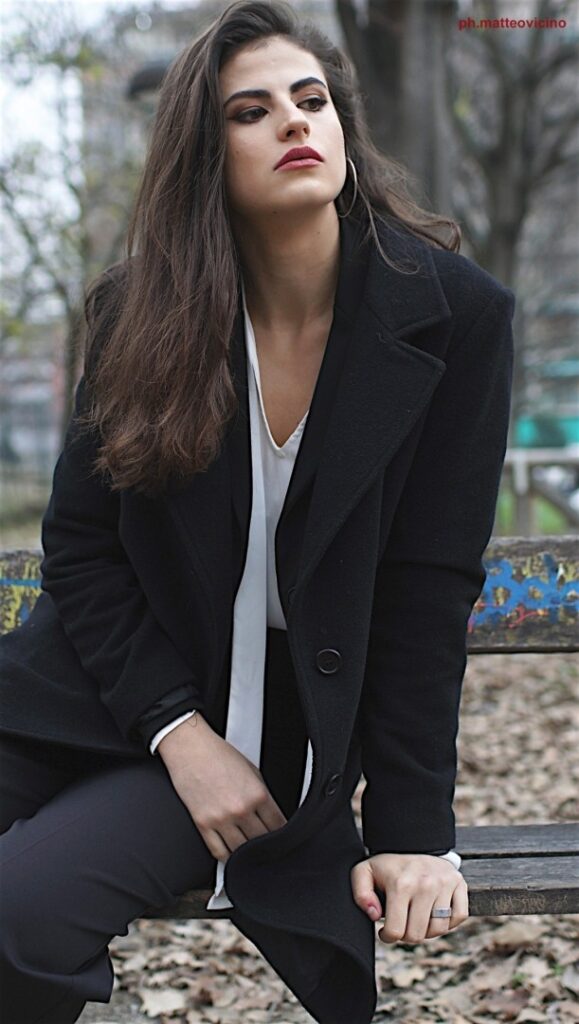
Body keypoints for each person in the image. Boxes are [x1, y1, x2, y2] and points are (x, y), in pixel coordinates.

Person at [0, 1, 515, 1022]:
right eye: (251, 111)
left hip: (266, 739)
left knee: (20, 908)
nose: (292, 121)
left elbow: (426, 590)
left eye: (310, 99)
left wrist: (414, 830)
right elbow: (84, 549)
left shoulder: (454, 317)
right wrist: (175, 730)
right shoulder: (138, 313)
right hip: (103, 694)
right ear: (205, 154)